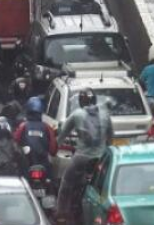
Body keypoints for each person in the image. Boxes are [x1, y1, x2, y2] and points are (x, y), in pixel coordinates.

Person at [56, 89, 113, 224]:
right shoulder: (105, 115)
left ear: (81, 101)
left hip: (81, 157)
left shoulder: (77, 114)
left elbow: (63, 133)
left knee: (66, 182)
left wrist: (56, 145)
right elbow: (110, 137)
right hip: (100, 157)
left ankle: (61, 213)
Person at [14, 97, 57, 176]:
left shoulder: (23, 126)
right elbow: (53, 149)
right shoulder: (47, 127)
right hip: (43, 164)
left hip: (26, 163)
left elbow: (15, 143)